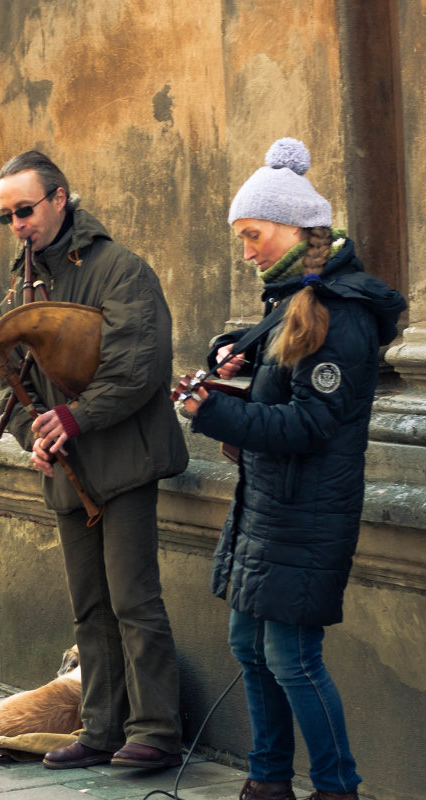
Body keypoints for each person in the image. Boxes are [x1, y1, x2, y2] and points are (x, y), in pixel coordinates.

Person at [180, 138, 405, 800]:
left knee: (293, 660)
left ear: (290, 229)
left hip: (308, 515)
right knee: (249, 647)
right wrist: (236, 368)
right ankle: (268, 781)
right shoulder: (291, 302)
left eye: (253, 235)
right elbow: (284, 394)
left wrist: (210, 413)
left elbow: (310, 425)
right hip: (269, 507)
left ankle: (338, 788)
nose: (245, 250)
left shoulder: (342, 315)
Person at [0, 150, 188, 770]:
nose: (19, 224)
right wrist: (35, 436)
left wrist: (71, 419)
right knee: (91, 607)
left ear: (59, 198)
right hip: (68, 470)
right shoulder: (22, 283)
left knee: (134, 600)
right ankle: (102, 727)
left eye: (26, 210)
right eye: (7, 217)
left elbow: (139, 367)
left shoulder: (122, 270)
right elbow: (8, 377)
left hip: (124, 461)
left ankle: (155, 730)